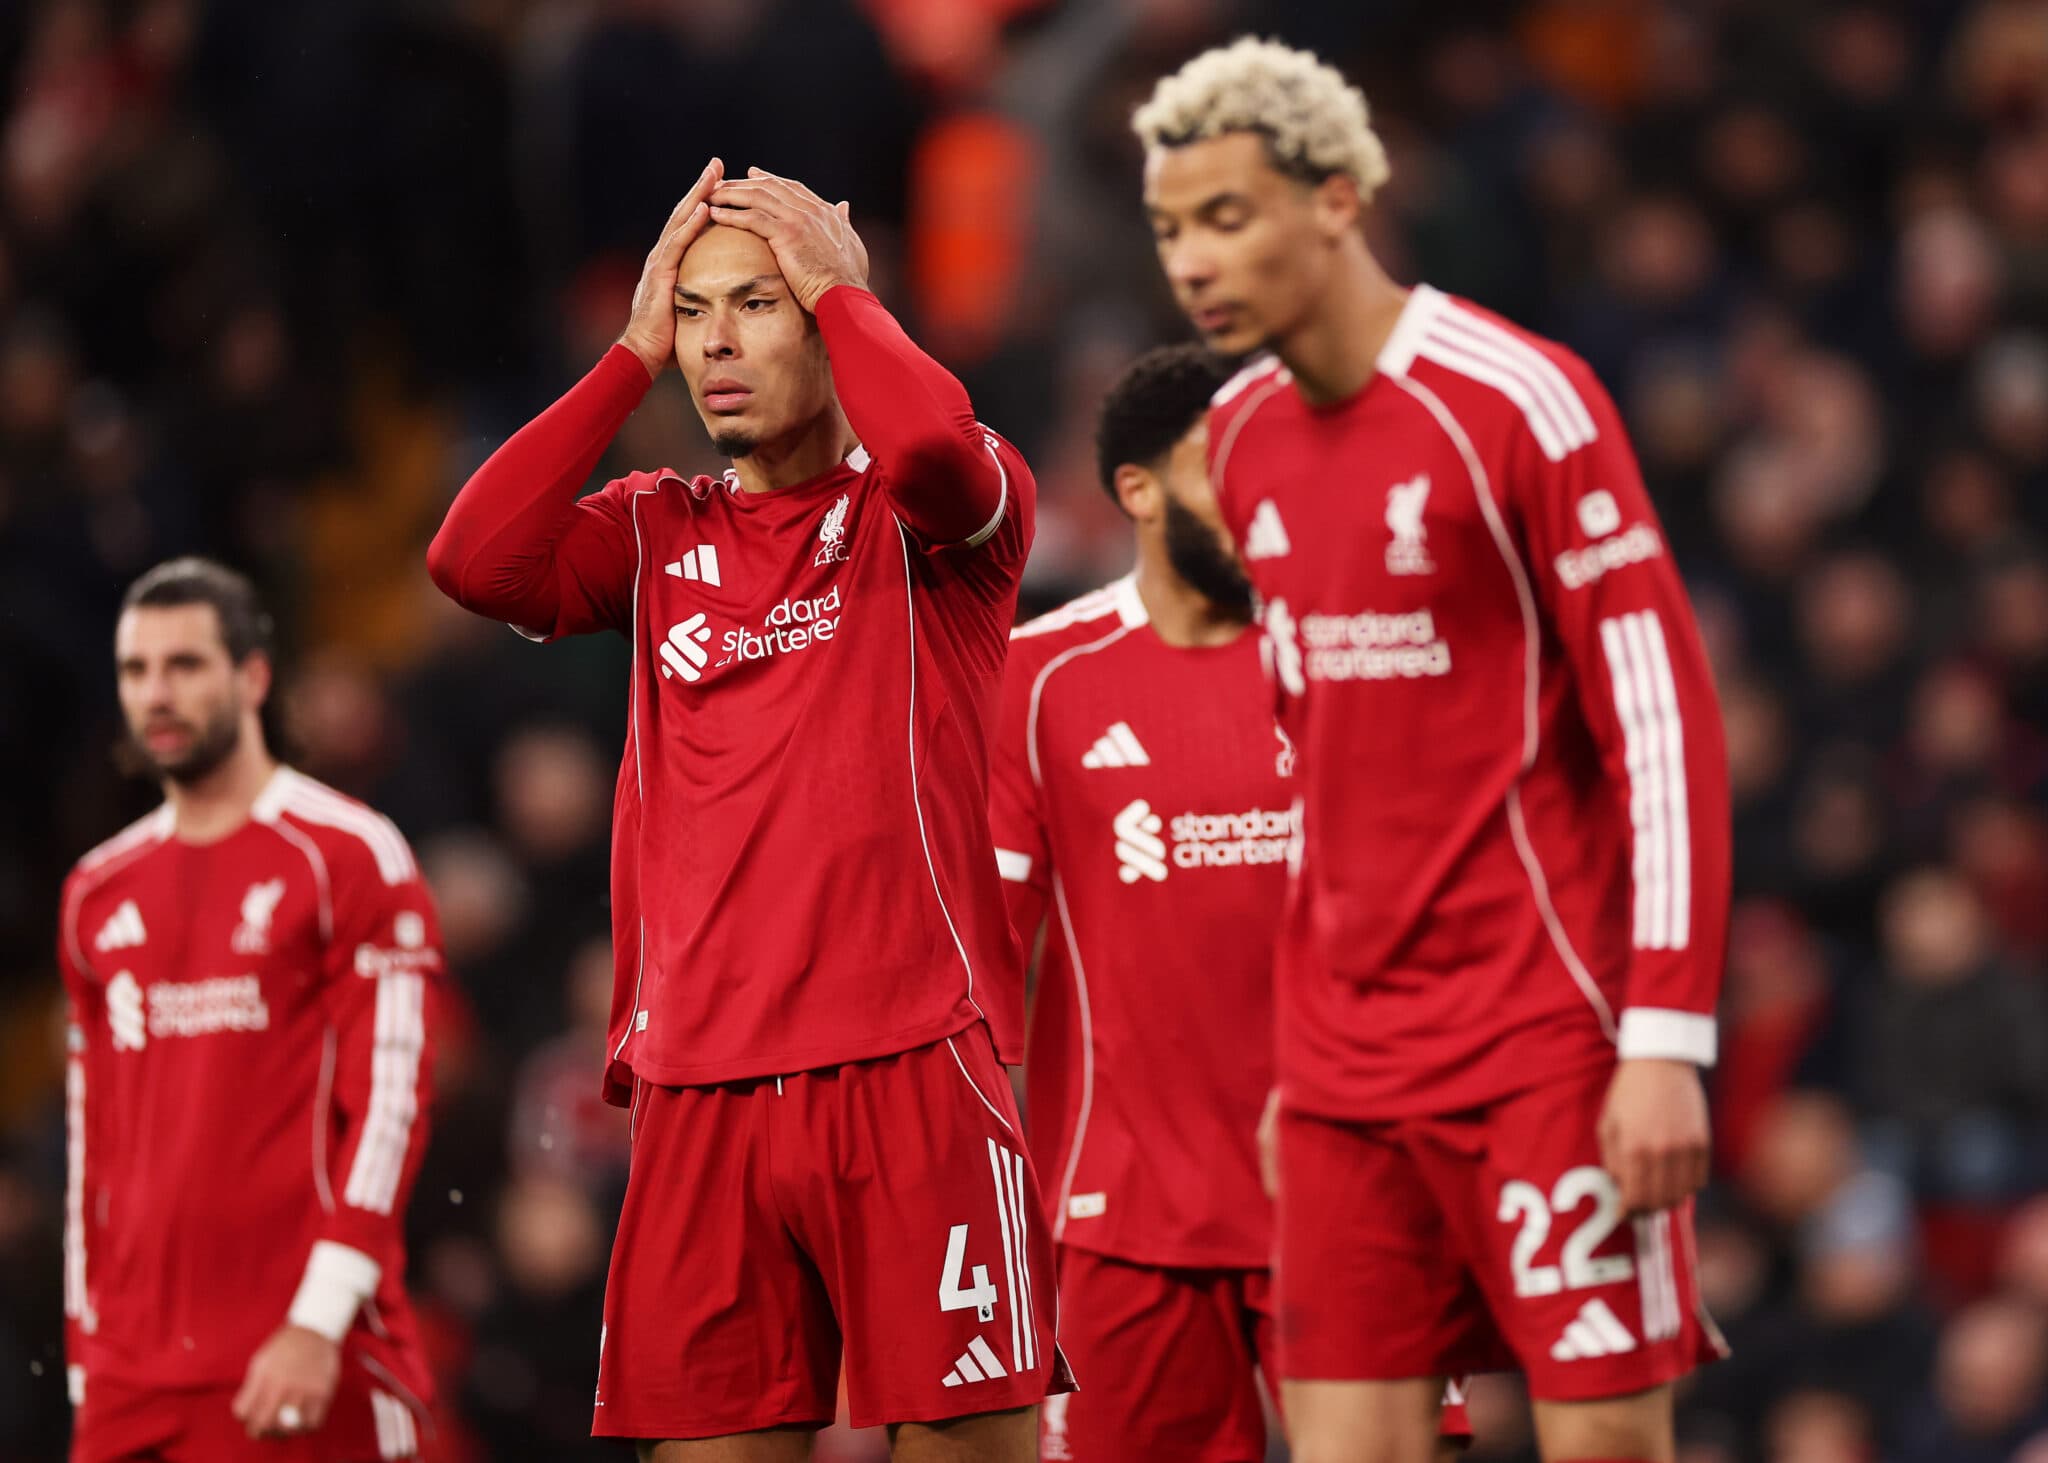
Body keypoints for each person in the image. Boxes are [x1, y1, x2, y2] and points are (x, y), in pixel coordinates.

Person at [1137, 38, 1733, 1463]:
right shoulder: (1239, 442)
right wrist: (1293, 1061)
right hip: (1346, 1069)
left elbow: (1661, 721)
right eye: (1169, 229)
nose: (1194, 264)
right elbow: (1315, 763)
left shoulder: (1516, 398)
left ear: (1339, 199)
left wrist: (1661, 1035)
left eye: (1228, 217)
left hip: (1544, 1035)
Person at [426, 160, 1068, 1461]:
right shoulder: (660, 528)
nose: (714, 341)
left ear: (831, 320)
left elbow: (935, 444)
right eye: (698, 310)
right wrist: (624, 351)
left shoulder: (933, 517)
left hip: (911, 1061)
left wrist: (844, 294)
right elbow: (472, 558)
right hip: (700, 1084)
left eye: (758, 305)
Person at [989, 343, 1473, 1461]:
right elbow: (978, 954)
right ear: (1138, 490)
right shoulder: (1037, 678)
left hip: (1352, 1195)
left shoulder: (1354, 654)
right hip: (1123, 1212)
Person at [59, 558, 441, 1462]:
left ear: (253, 676)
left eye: (185, 664)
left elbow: (390, 1103)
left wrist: (319, 1317)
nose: (157, 692)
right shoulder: (94, 890)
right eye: (135, 669)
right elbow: (93, 1140)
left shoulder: (346, 853)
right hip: (130, 1376)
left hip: (303, 1354)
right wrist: (86, 1351)